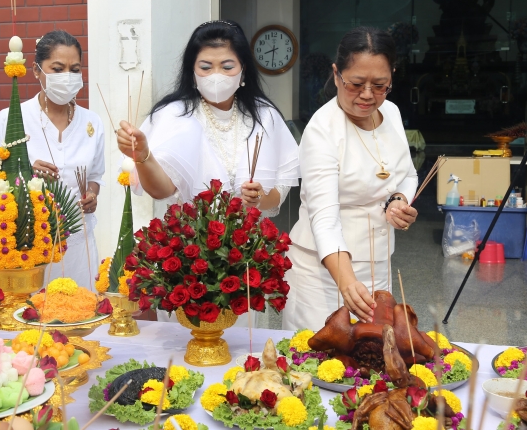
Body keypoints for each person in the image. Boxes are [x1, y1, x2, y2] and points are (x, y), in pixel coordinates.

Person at [283, 27, 418, 331]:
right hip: (325, 271)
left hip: (378, 260)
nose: (368, 95)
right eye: (356, 84)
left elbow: (408, 174)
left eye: (380, 85)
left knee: (372, 355)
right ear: (336, 75)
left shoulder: (392, 114)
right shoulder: (323, 130)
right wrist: (346, 282)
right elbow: (325, 219)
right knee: (319, 361)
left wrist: (399, 200)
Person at [116, 20, 299, 216]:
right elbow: (162, 191)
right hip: (190, 241)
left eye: (227, 67)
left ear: (243, 70)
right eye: (206, 67)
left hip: (249, 241)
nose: (216, 75)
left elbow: (278, 191)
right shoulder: (173, 116)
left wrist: (259, 198)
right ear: (192, 72)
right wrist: (144, 156)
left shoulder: (265, 116)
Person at [0, 30, 105, 290]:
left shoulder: (92, 122)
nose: (67, 77)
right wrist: (24, 173)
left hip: (78, 243)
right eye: (58, 68)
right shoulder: (11, 118)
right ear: (37, 71)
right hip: (28, 245)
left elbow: (95, 176)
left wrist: (92, 196)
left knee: (79, 315)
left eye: (75, 69)